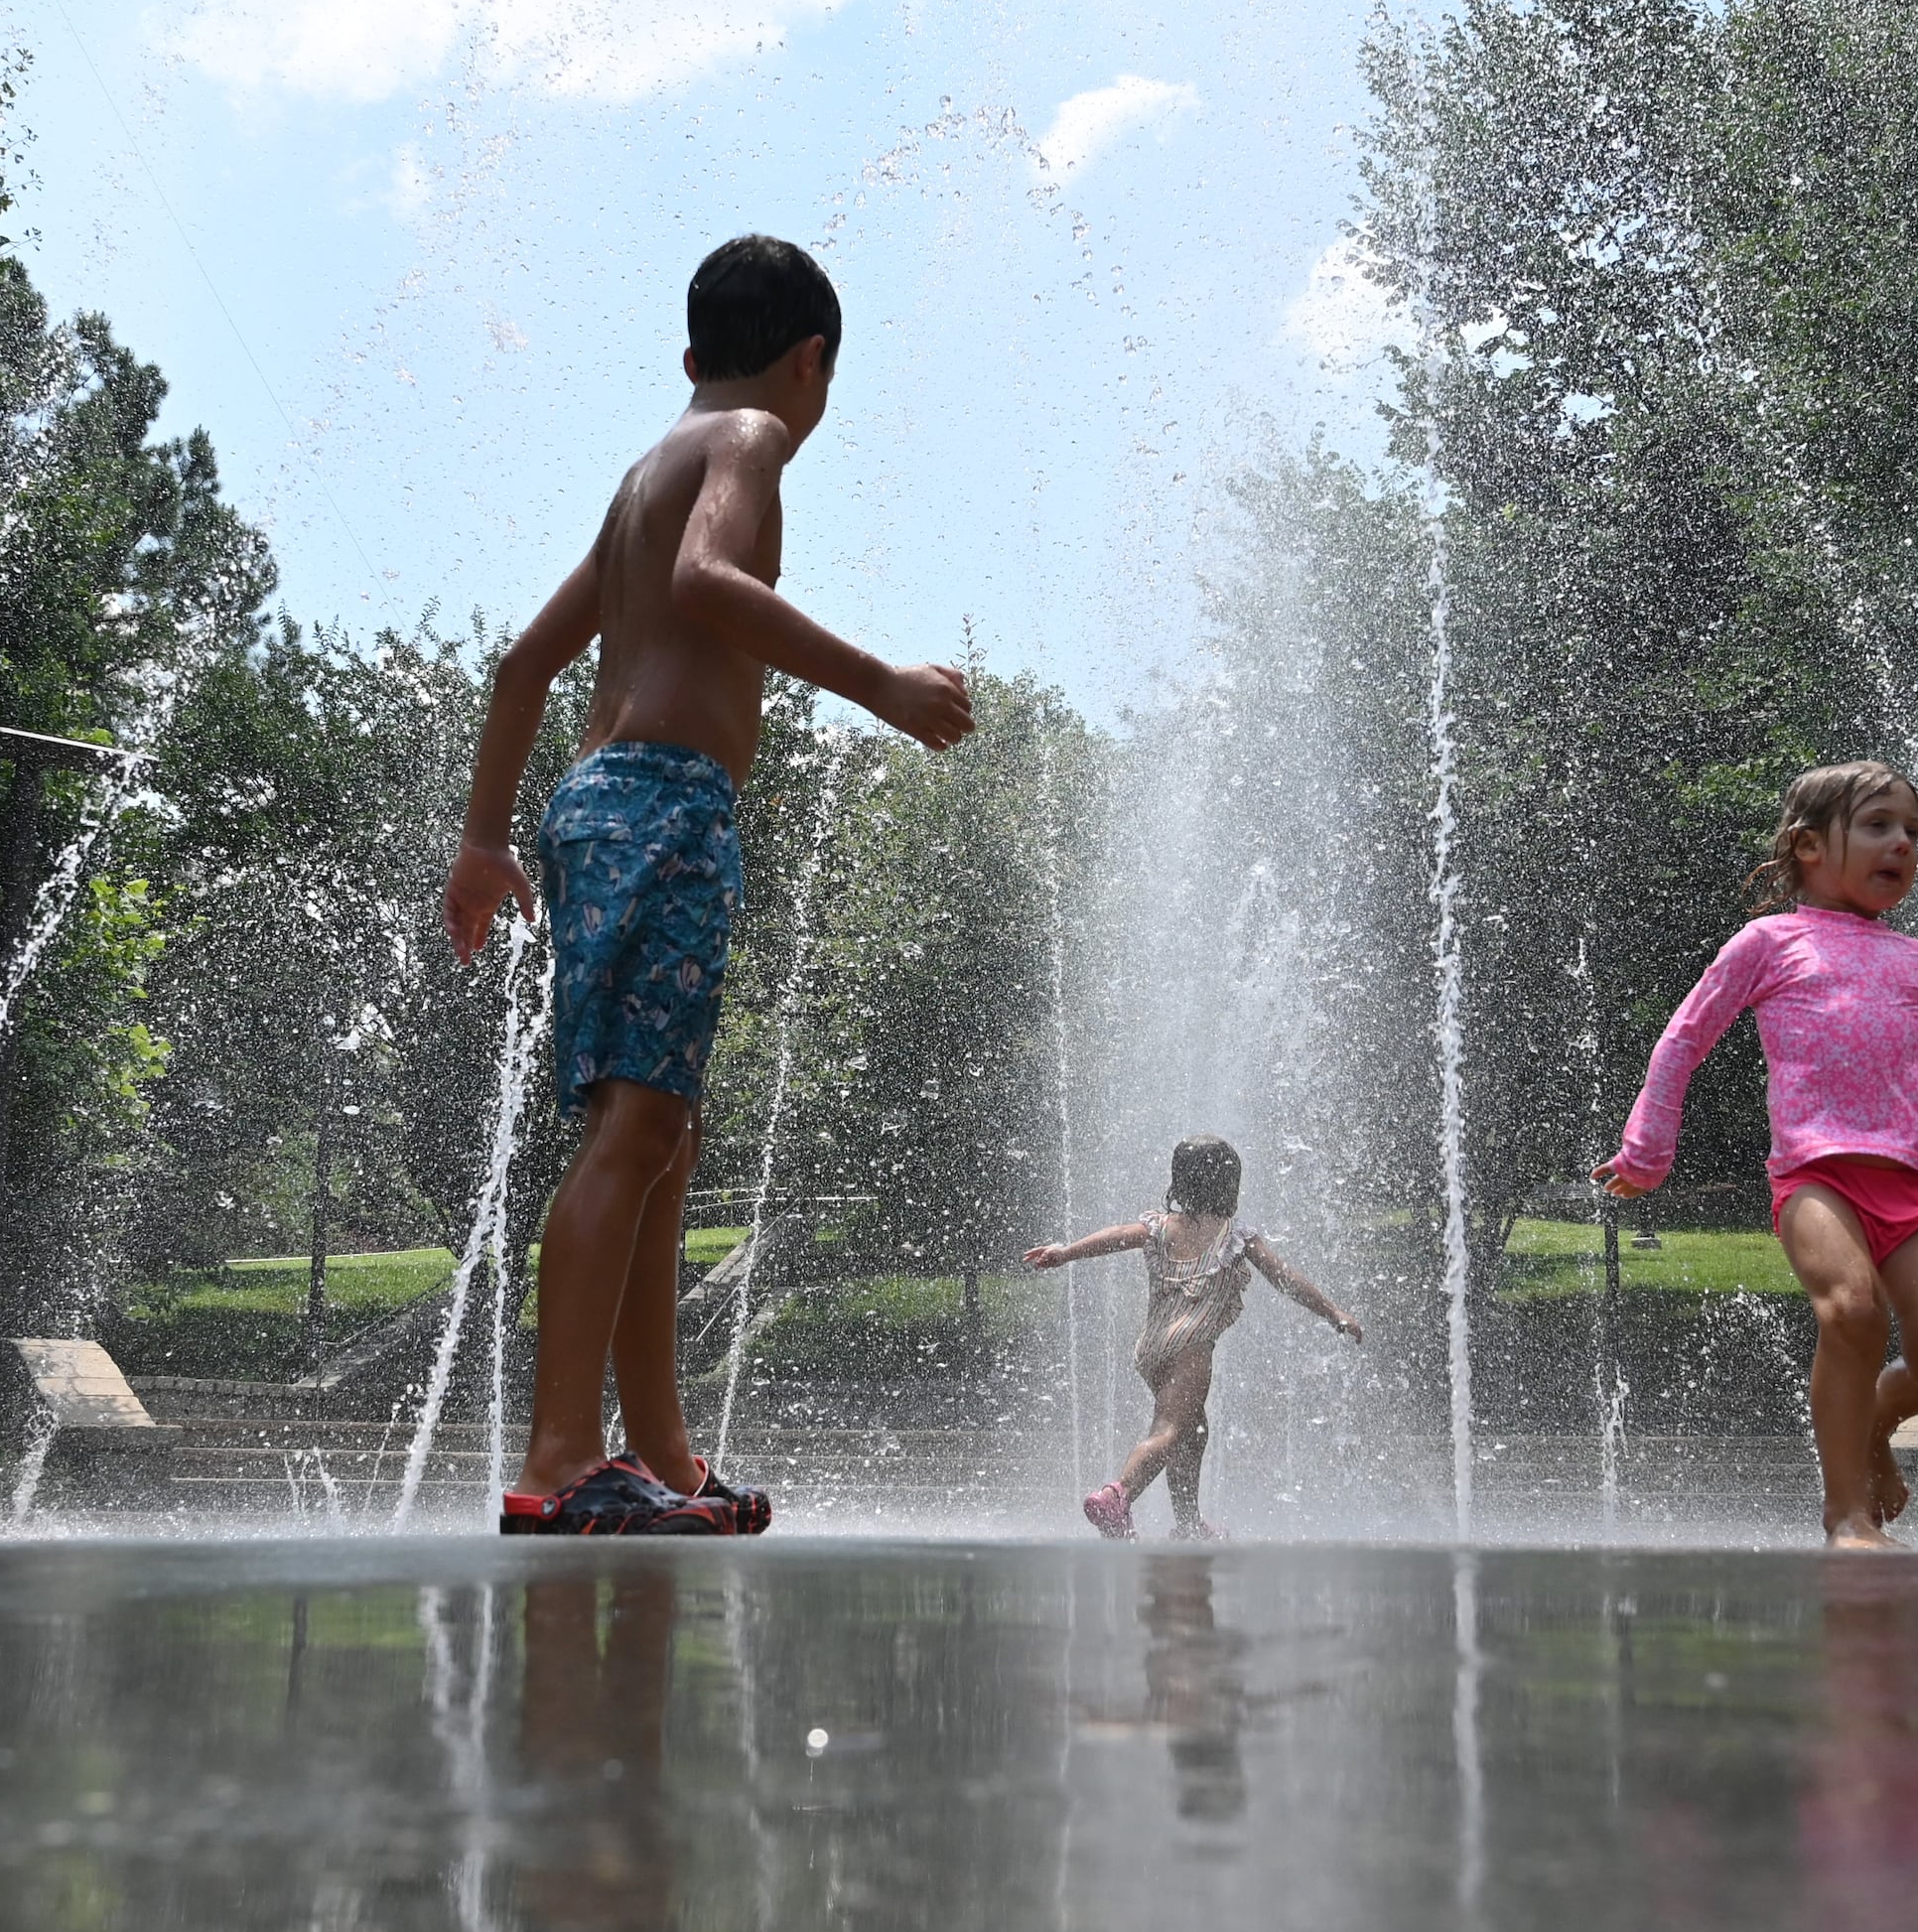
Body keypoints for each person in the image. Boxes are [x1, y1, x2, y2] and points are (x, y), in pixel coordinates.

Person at [445, 234, 976, 1536]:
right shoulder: (748, 440)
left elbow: (523, 668)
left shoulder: (645, 474)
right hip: (665, 806)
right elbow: (708, 584)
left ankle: (662, 1458)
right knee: (634, 1132)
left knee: (660, 1132)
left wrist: (485, 838)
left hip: (597, 808)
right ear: (812, 364)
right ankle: (566, 1458)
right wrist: (883, 689)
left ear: (689, 354)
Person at [1592, 761, 1918, 1549]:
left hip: (1911, 1182)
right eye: (1877, 826)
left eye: (1912, 832)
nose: (1901, 843)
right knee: (1852, 1312)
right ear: (1807, 846)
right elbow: (1683, 1039)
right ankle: (1848, 1515)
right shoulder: (1769, 942)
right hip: (1814, 1175)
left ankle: (1870, 1424)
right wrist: (1647, 1153)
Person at [1027, 1135, 1363, 1541]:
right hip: (1192, 1347)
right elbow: (1285, 1279)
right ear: (1229, 1185)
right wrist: (1333, 1313)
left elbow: (1114, 1236)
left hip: (1153, 1348)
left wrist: (1065, 1252)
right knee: (1169, 1428)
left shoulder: (1161, 1228)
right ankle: (1117, 1495)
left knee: (1194, 1429)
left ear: (1180, 1184)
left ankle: (1188, 1523)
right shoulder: (1236, 1237)